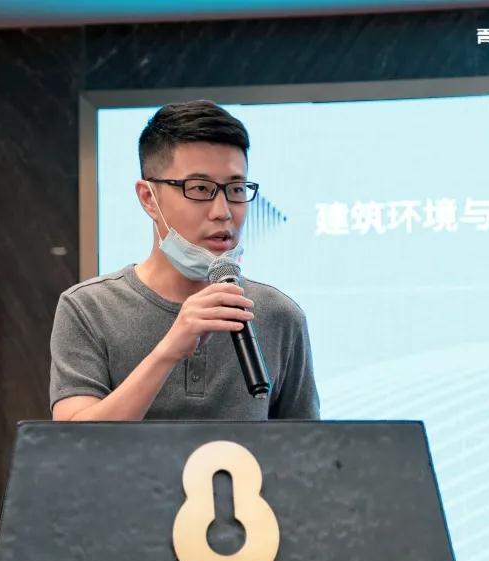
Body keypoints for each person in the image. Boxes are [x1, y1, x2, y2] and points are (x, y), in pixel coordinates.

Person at [49, 99, 319, 421]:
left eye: (236, 189)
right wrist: (169, 351)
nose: (222, 212)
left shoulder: (279, 315)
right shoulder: (89, 308)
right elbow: (72, 441)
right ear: (149, 198)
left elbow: (309, 446)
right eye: (200, 188)